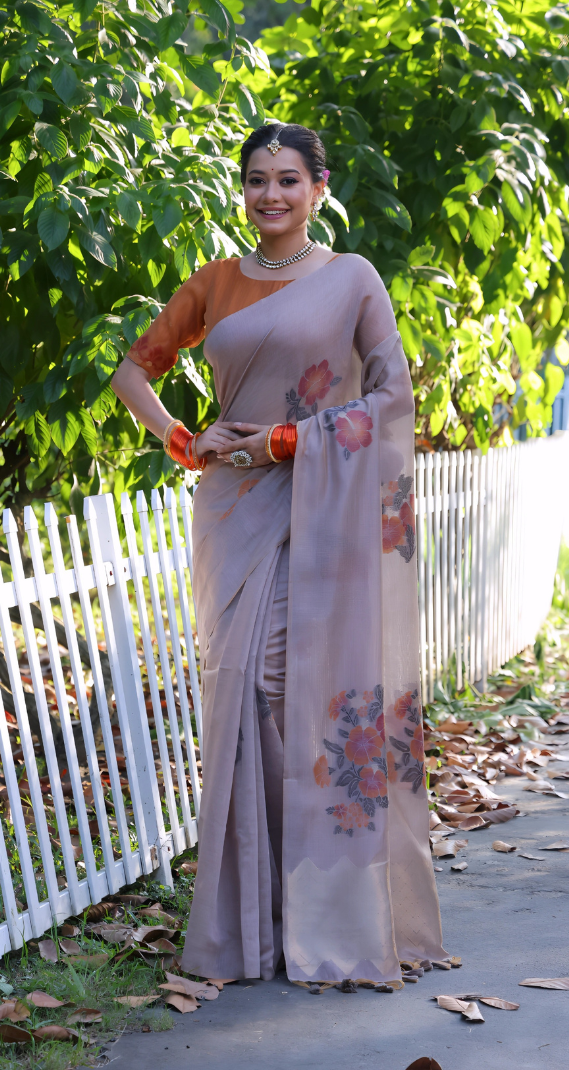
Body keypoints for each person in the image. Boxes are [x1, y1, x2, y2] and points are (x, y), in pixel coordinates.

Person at [111, 122, 446, 985]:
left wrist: (293, 441)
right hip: (235, 507)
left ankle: (328, 912)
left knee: (314, 698)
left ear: (318, 189)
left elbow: (392, 393)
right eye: (257, 180)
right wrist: (186, 443)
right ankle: (254, 920)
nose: (271, 196)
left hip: (322, 509)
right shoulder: (216, 284)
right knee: (249, 693)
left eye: (288, 180)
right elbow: (132, 373)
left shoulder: (351, 280)